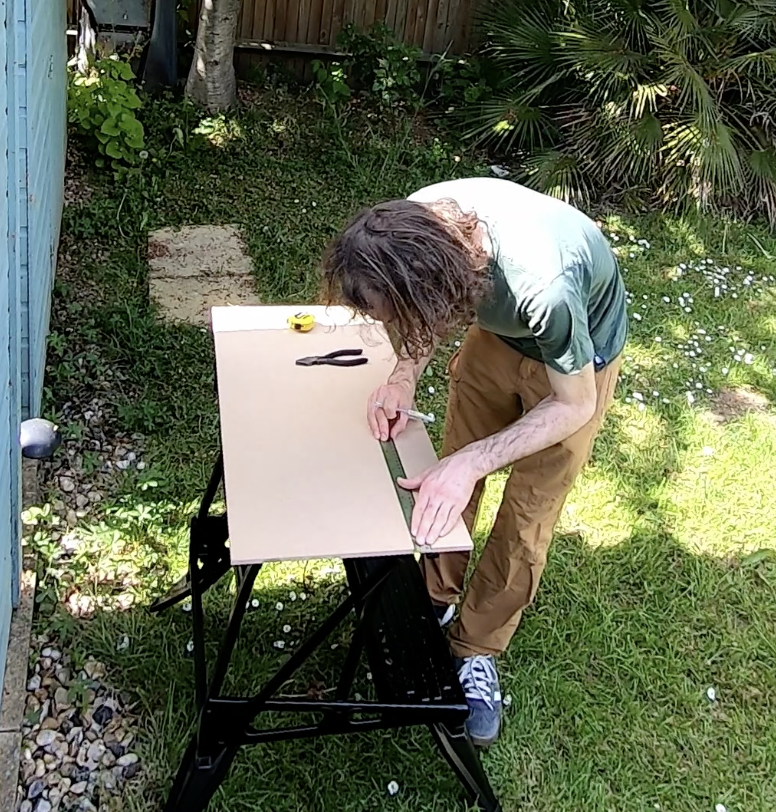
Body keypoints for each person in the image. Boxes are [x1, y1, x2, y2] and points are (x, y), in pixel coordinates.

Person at [321, 177, 628, 747]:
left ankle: (476, 648)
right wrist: (402, 376)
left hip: (575, 368)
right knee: (450, 475)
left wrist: (472, 462)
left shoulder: (547, 285)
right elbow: (418, 313)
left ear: (437, 284)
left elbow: (574, 404)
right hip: (497, 337)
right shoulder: (409, 224)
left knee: (526, 515)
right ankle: (435, 598)